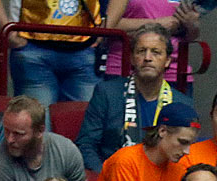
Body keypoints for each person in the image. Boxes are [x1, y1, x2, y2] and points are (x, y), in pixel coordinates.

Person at [76, 24, 193, 173]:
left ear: (168, 61)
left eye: (156, 52)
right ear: (131, 58)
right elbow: (86, 145)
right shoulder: (107, 93)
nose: (147, 58)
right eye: (141, 51)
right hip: (114, 180)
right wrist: (105, 177)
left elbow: (185, 153)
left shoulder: (182, 103)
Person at [0, 0, 100, 105]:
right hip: (31, 45)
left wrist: (105, 30)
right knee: (35, 123)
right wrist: (9, 34)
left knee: (84, 123)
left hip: (85, 45)